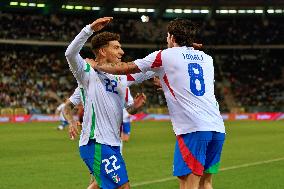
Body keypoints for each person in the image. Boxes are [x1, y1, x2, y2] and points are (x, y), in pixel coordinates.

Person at [93, 18, 226, 189]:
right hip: (217, 127)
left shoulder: (164, 55)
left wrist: (96, 67)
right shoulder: (207, 58)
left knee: (188, 184)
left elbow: (125, 68)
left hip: (193, 128)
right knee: (206, 182)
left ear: (171, 37)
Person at [65, 17, 156, 189]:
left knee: (98, 185)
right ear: (102, 52)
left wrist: (134, 108)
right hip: (96, 142)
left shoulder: (121, 76)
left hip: (114, 143)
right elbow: (70, 53)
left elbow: (149, 69)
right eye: (116, 47)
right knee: (123, 187)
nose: (121, 52)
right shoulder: (86, 72)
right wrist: (89, 29)